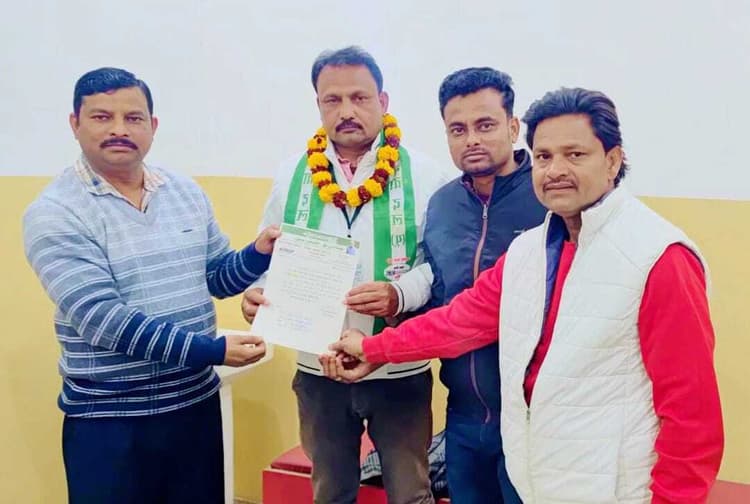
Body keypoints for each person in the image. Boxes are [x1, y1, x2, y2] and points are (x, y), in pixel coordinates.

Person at [326, 87, 724, 504]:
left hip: (617, 490)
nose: (555, 170)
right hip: (537, 477)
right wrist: (374, 348)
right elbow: (460, 321)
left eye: (575, 154)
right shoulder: (528, 251)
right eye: (544, 156)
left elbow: (691, 413)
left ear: (612, 160)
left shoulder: (658, 257)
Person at [23, 67, 279, 504]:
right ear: (75, 124)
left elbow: (217, 276)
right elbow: (104, 321)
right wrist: (213, 351)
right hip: (110, 424)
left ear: (153, 126)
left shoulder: (183, 192)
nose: (119, 130)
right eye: (102, 117)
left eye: (133, 118)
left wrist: (258, 254)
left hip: (194, 409)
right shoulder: (55, 212)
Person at [241, 46, 450, 504]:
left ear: (383, 101)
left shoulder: (426, 175)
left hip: (398, 369)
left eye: (360, 97)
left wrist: (398, 293)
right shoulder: (291, 175)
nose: (347, 111)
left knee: (411, 494)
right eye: (332, 100)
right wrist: (256, 294)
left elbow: (440, 267)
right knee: (330, 492)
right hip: (318, 371)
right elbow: (270, 256)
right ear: (318, 105)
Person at [386, 67, 546, 504]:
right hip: (462, 419)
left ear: (513, 127)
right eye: (458, 129)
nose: (471, 139)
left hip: (532, 422)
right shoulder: (442, 206)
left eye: (485, 125)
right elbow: (439, 294)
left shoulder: (547, 199)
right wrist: (395, 306)